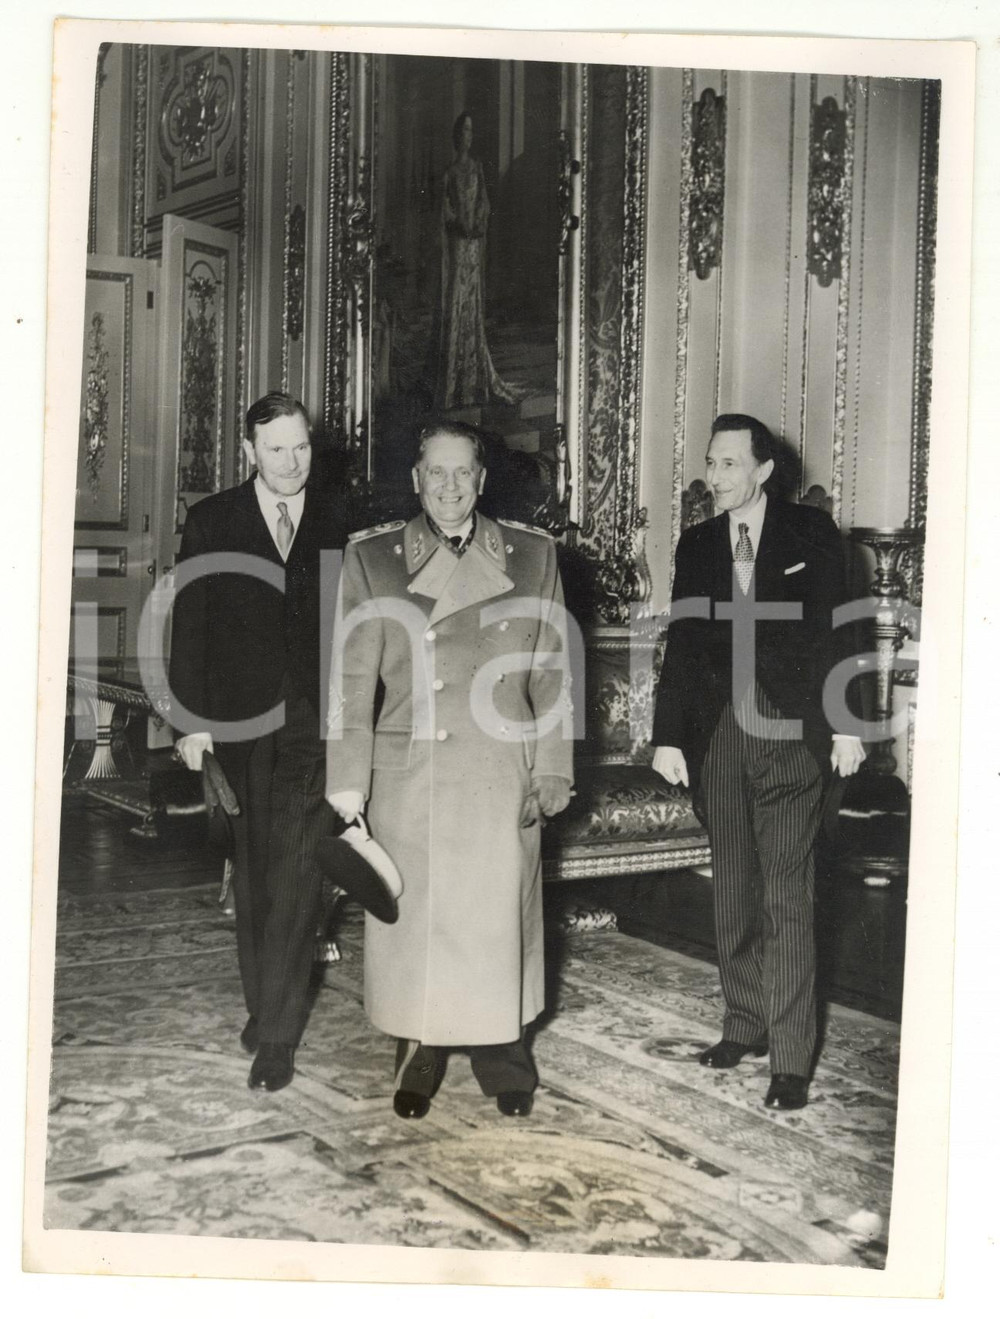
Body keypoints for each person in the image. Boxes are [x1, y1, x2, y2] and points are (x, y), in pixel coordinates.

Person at [326, 420, 573, 1119]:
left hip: (500, 770)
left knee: (499, 921)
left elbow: (553, 673)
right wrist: (348, 782)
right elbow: (351, 679)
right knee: (421, 923)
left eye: (463, 472)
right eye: (435, 473)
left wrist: (552, 766)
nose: (449, 487)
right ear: (415, 479)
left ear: (483, 478)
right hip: (413, 774)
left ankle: (506, 1053)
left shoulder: (532, 556)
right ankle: (418, 1050)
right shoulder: (373, 560)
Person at [651, 413, 865, 1111]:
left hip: (790, 730)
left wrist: (846, 726)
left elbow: (843, 630)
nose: (714, 477)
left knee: (787, 895)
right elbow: (683, 643)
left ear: (764, 470)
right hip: (719, 734)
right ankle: (743, 1023)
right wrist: (670, 737)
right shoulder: (699, 543)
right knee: (734, 888)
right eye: (711, 463)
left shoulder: (812, 535)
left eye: (729, 465)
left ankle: (793, 1055)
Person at [169, 391, 346, 1092]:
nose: (292, 461)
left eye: (301, 446)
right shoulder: (212, 520)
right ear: (249, 451)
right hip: (238, 727)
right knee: (256, 876)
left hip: (312, 721)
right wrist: (192, 730)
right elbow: (191, 626)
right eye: (276, 449)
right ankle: (264, 1002)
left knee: (301, 871)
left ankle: (276, 1033)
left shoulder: (338, 520)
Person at [438, 112, 519, 409]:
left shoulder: (477, 169)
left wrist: (479, 224)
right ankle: (453, 381)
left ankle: (473, 379)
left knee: (473, 304)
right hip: (459, 246)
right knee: (459, 303)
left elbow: (485, 203)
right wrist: (459, 224)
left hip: (474, 245)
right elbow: (444, 211)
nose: (467, 136)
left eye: (471, 131)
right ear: (456, 135)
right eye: (463, 130)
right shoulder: (449, 173)